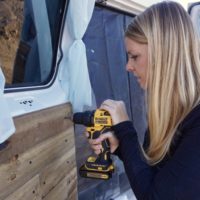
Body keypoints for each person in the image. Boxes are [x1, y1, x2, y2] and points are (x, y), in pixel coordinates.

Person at [87, 1, 200, 199]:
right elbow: (156, 175)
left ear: (164, 54)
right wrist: (121, 145)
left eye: (134, 56)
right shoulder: (171, 113)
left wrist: (125, 128)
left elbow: (154, 196)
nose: (127, 67)